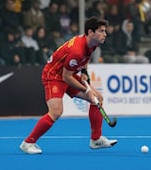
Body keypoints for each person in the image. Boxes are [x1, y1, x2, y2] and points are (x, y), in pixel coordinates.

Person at [19, 17, 117, 154]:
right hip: (54, 76)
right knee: (56, 112)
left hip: (68, 73)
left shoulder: (92, 43)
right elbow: (66, 77)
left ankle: (96, 140)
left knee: (97, 98)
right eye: (101, 31)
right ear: (90, 32)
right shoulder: (77, 50)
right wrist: (85, 89)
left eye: (105, 31)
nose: (105, 34)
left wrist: (84, 71)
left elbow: (85, 60)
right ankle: (28, 143)